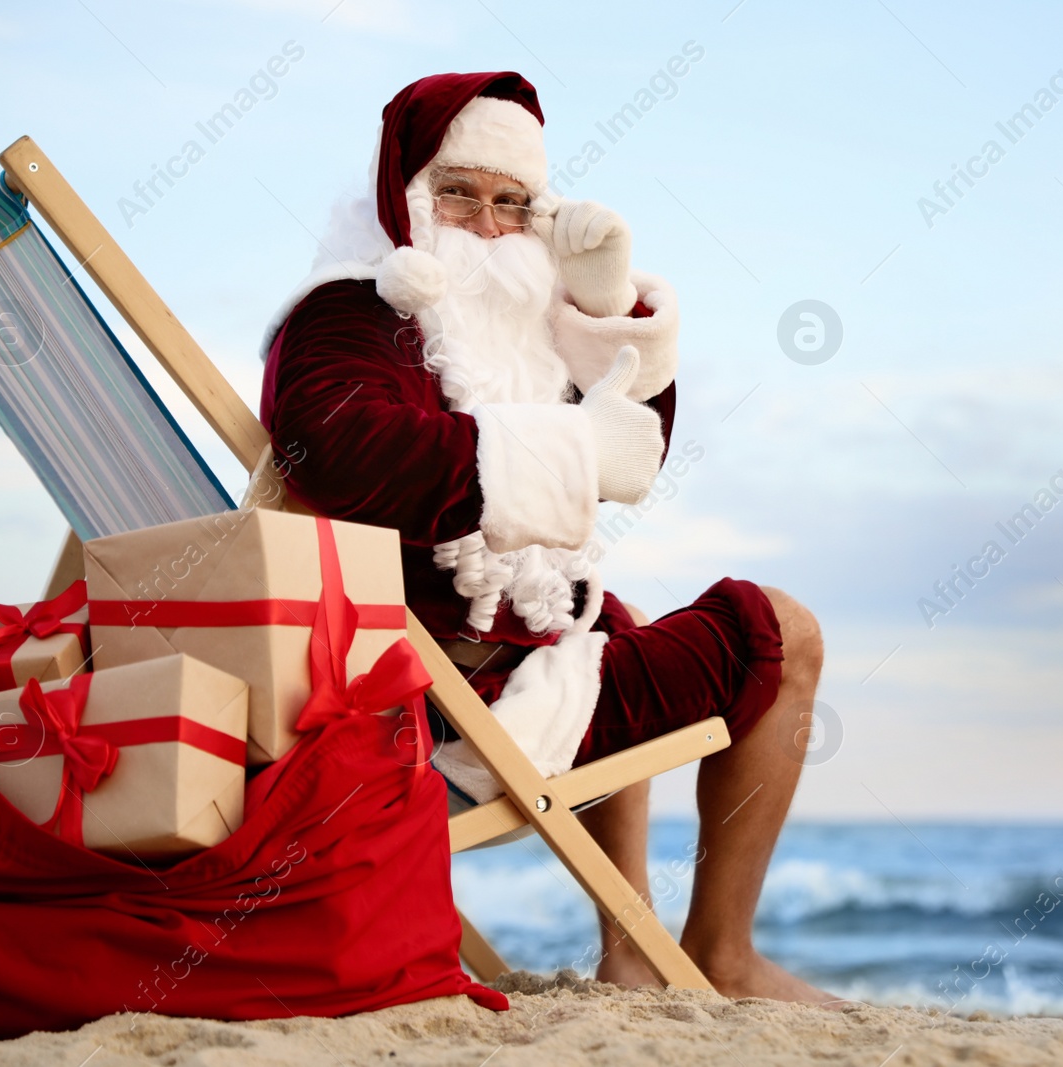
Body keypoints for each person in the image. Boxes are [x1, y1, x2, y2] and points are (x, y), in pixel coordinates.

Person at [259, 71, 832, 1004]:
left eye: (513, 204)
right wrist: (564, 445)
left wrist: (604, 311)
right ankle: (723, 955)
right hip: (432, 715)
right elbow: (343, 452)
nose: (489, 228)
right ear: (405, 201)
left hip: (473, 682)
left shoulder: (506, 338)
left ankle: (631, 949)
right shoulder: (348, 314)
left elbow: (629, 458)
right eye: (460, 195)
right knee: (783, 628)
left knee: (611, 621)